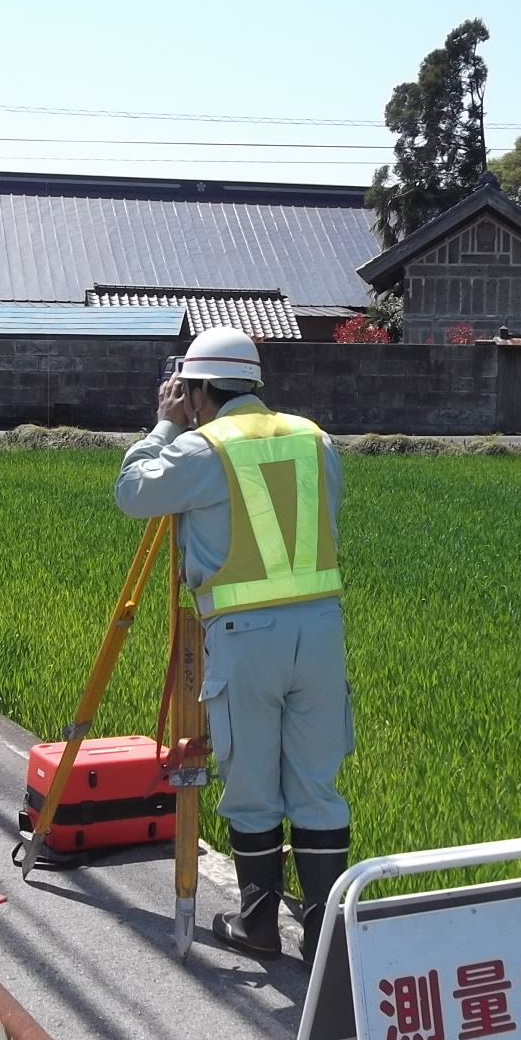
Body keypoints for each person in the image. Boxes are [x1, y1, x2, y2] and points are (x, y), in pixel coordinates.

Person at [114, 326, 353, 963]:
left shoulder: (202, 447)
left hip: (247, 636)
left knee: (251, 781)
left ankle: (258, 925)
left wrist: (162, 428)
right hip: (322, 630)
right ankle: (327, 936)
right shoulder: (314, 438)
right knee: (316, 783)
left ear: (195, 391)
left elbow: (133, 493)